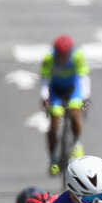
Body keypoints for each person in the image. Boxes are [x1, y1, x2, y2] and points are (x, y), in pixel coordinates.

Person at [40, 34, 90, 176]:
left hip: (73, 89)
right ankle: (52, 159)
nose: (62, 59)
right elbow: (44, 78)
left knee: (75, 113)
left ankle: (77, 144)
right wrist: (44, 96)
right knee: (54, 122)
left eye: (65, 55)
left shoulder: (77, 56)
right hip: (55, 90)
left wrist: (85, 97)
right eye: (60, 56)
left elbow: (83, 77)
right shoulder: (49, 58)